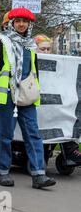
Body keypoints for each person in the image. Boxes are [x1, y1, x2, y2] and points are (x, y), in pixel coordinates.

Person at [0, 7, 56, 189]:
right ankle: (2, 172)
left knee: (33, 134)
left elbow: (33, 71)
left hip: (26, 97)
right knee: (5, 135)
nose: (21, 24)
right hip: (6, 94)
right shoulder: (2, 41)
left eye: (25, 21)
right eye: (18, 21)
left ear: (29, 24)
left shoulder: (31, 45)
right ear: (12, 23)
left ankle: (39, 175)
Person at [34, 34, 81, 164]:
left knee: (68, 112)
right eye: (42, 49)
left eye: (48, 49)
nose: (46, 52)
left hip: (53, 104)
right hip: (36, 103)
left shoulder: (57, 65)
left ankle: (70, 149)